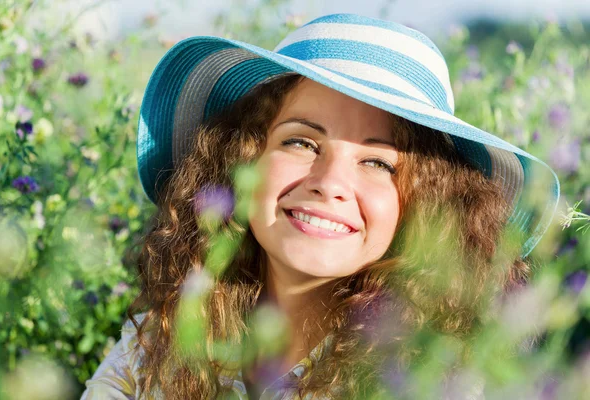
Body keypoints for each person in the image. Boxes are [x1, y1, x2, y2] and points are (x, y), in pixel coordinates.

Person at [81, 13, 560, 400]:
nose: (330, 183)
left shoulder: (432, 377)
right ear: (244, 157)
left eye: (377, 163)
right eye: (302, 143)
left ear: (423, 208)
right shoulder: (160, 337)